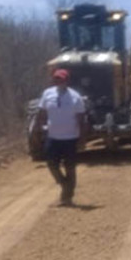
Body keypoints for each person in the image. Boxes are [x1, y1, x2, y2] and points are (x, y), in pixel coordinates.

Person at [37, 69, 86, 206]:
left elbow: (81, 120)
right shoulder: (47, 94)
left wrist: (82, 139)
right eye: (56, 79)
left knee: (70, 167)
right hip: (53, 137)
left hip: (70, 138)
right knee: (51, 164)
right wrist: (40, 128)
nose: (58, 81)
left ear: (67, 80)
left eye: (61, 79)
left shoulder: (76, 97)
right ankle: (65, 184)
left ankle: (67, 197)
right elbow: (42, 112)